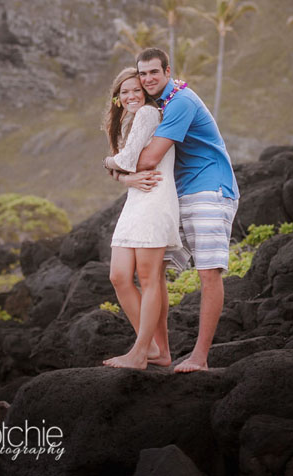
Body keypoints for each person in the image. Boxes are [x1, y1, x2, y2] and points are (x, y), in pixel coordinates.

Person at [120, 48, 240, 373]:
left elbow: (146, 159)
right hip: (180, 192)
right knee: (152, 269)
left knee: (208, 272)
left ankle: (200, 357)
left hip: (210, 187)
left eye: (153, 73)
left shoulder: (181, 102)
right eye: (142, 74)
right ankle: (161, 352)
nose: (146, 79)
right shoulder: (160, 103)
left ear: (167, 71)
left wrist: (115, 166)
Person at [101, 66, 182, 369]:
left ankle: (142, 352)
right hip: (137, 200)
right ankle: (153, 349)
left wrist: (108, 162)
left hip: (155, 198)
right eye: (125, 92)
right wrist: (125, 179)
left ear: (145, 93)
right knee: (119, 276)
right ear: (117, 98)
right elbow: (128, 168)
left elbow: (125, 160)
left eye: (137, 89)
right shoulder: (130, 121)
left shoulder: (148, 114)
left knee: (149, 279)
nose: (132, 95)